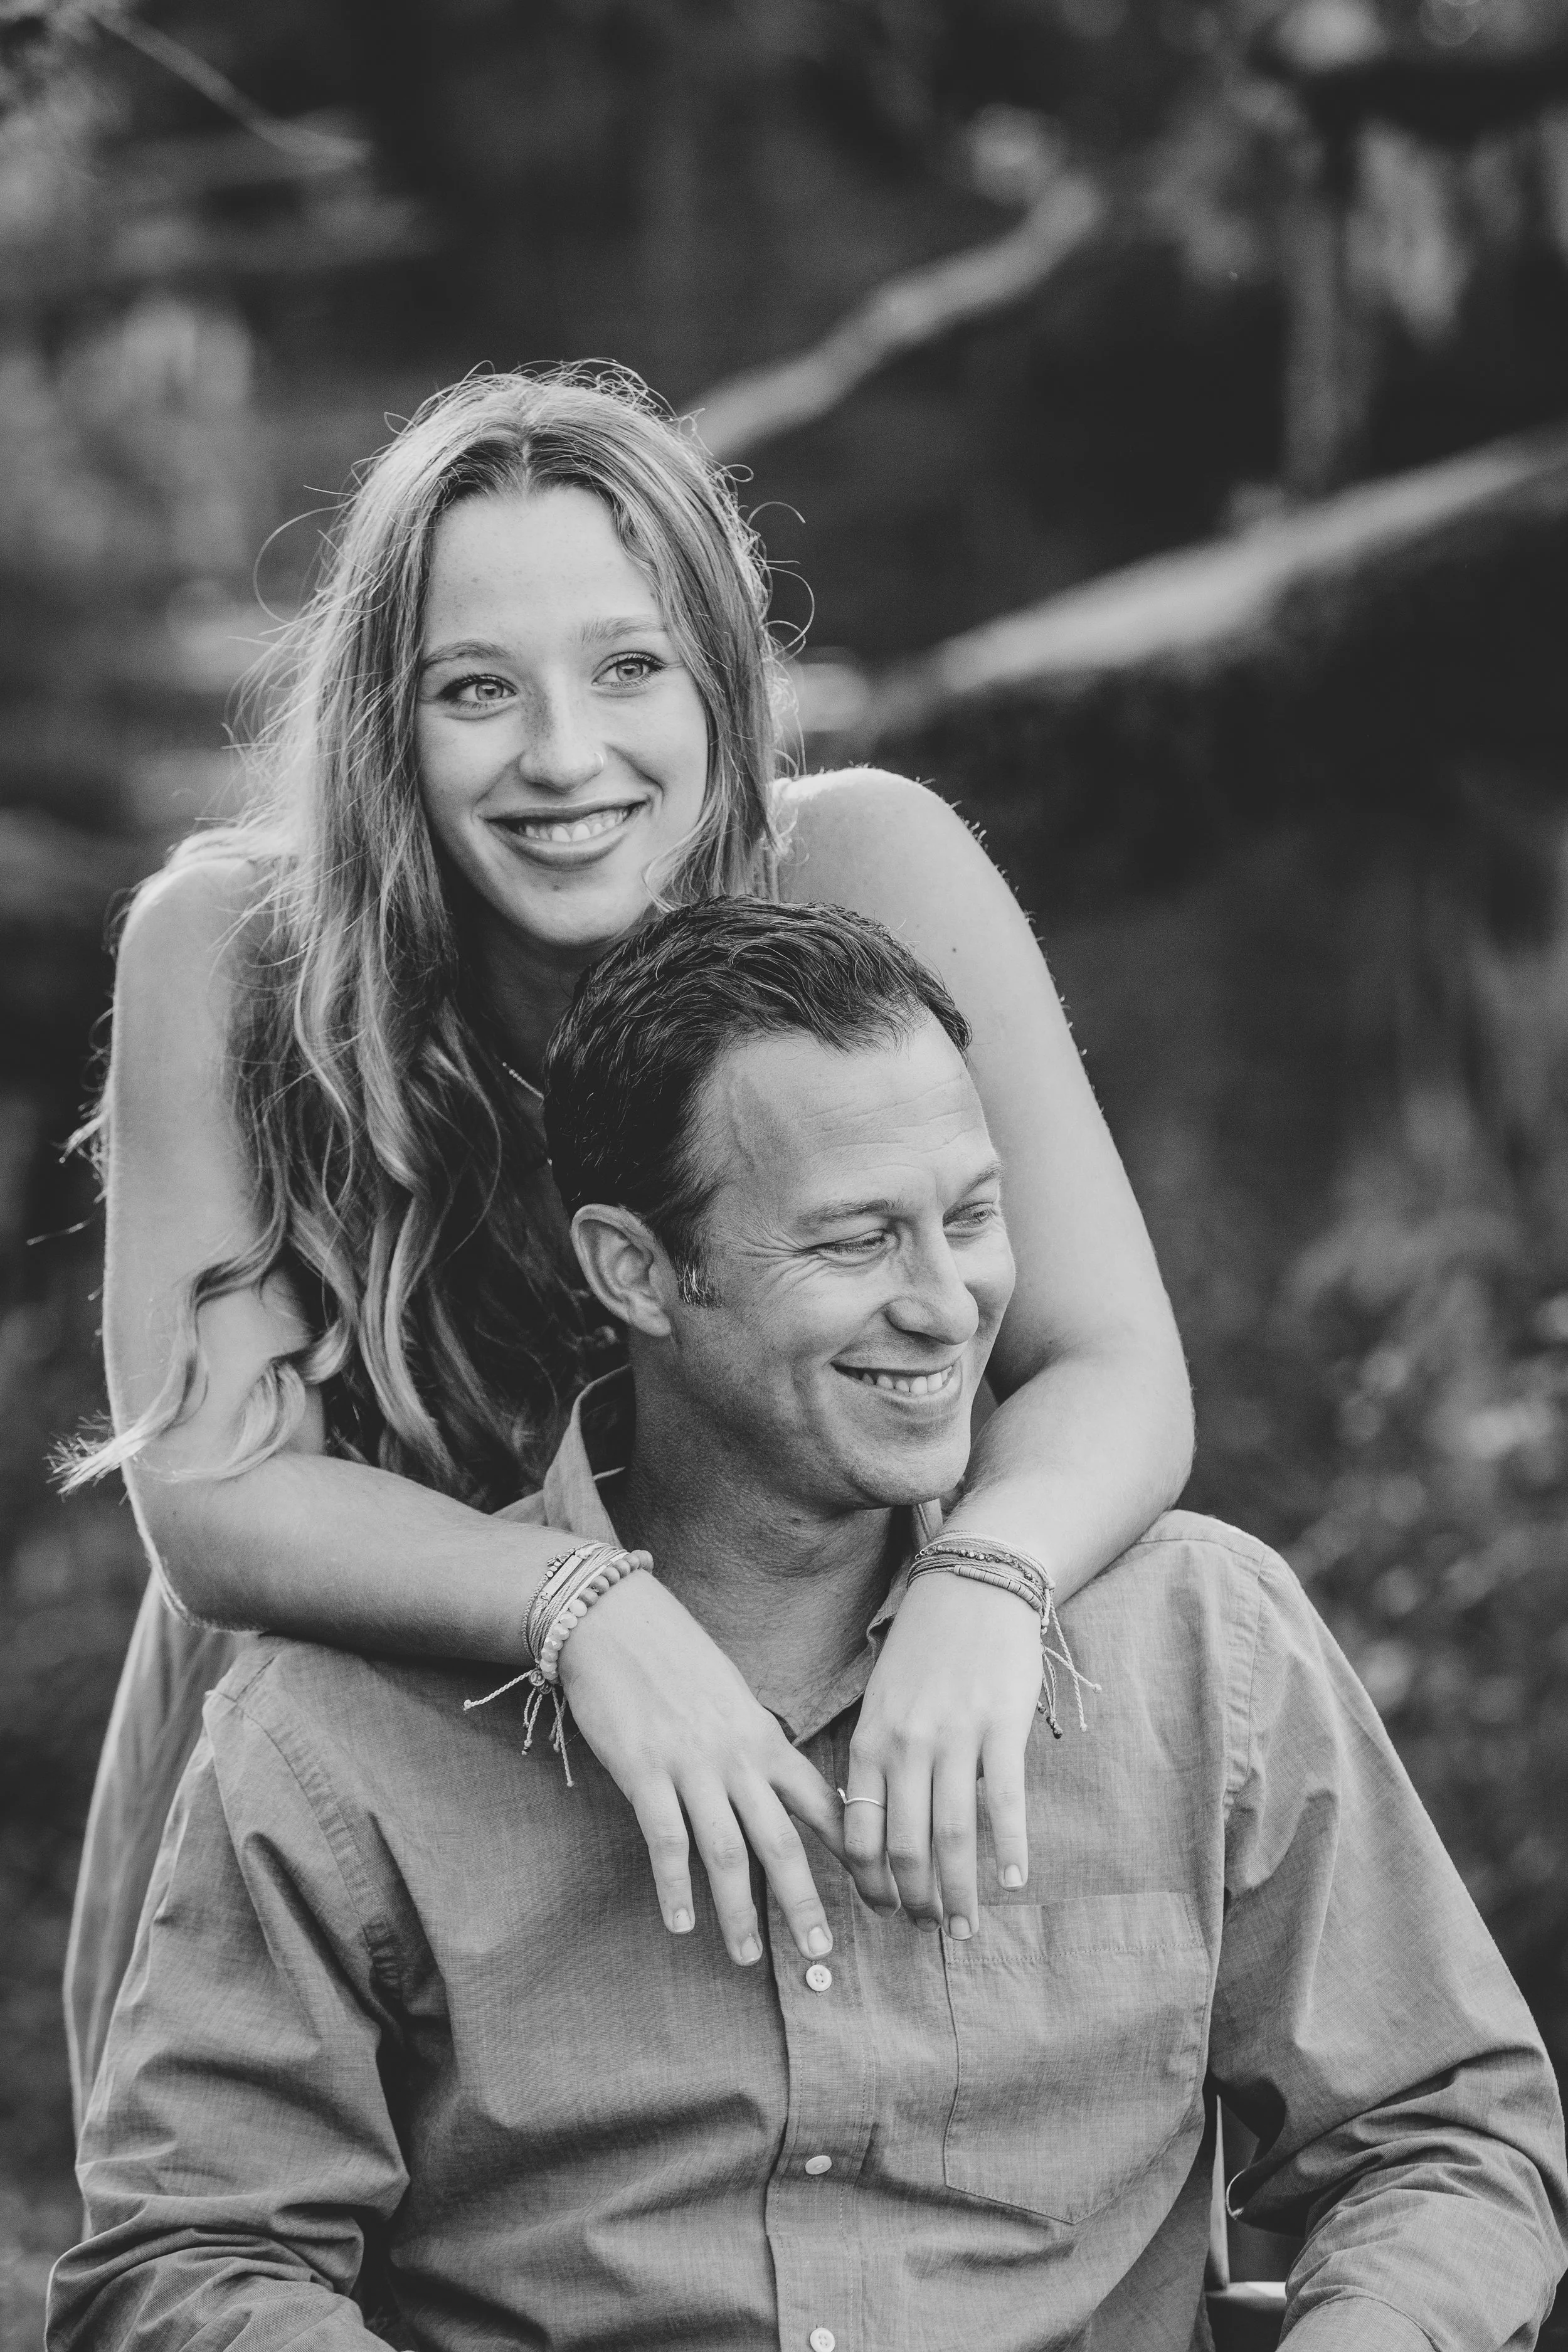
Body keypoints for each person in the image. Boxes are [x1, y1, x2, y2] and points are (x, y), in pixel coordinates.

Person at [50, 898, 1566, 2352]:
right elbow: (191, 2263)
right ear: (636, 1270)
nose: (946, 1305)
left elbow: (1440, 2141)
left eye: (968, 1218)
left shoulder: (1194, 1642)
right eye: (854, 1243)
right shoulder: (338, 1734)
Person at [61, 364, 1196, 2114]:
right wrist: (583, 1604)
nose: (563, 755)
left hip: (806, 1694)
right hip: (356, 1733)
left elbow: (1109, 1362)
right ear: (382, 722)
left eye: (627, 668)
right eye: (475, 688)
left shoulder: (865, 865)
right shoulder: (228, 950)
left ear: (720, 677)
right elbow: (214, 1495)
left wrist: (989, 1575)